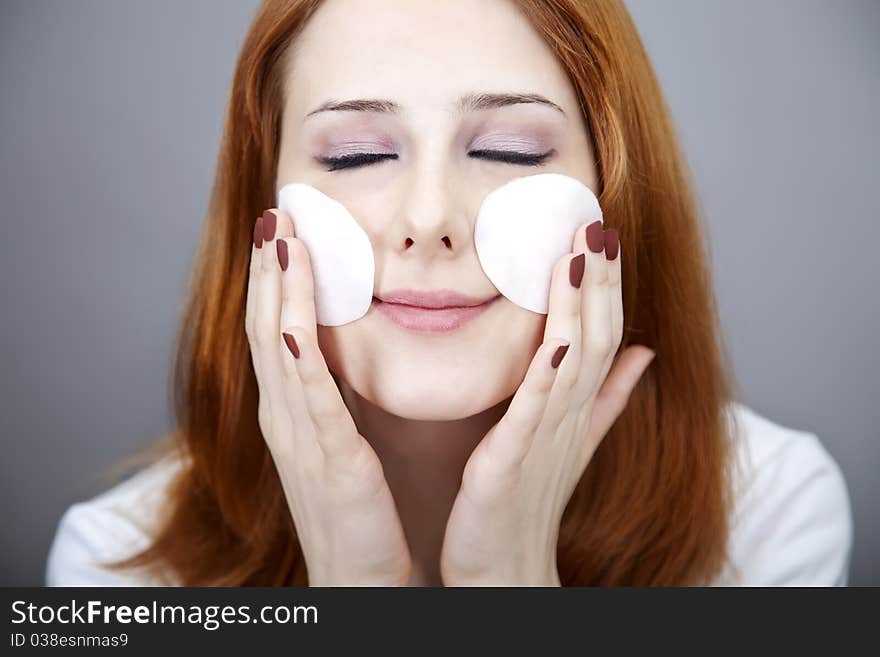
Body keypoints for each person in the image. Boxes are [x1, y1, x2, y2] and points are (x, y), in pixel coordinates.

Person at [46, 0, 852, 586]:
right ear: (264, 213)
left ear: (615, 193)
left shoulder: (770, 517)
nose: (428, 218)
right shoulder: (117, 566)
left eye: (508, 148)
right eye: (356, 155)